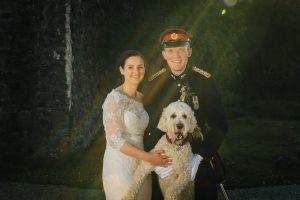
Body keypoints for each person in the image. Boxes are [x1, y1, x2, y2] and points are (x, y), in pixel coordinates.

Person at [143, 28, 228, 200]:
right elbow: (147, 126)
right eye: (170, 51)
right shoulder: (154, 84)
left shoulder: (205, 81)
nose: (176, 55)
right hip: (164, 160)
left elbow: (220, 125)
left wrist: (200, 157)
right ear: (164, 54)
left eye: (181, 50)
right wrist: (152, 156)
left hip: (197, 159)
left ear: (189, 51)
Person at [102, 50, 171, 200]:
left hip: (142, 164)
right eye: (130, 67)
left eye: (140, 67)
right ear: (122, 70)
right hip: (119, 163)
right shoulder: (114, 99)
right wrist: (148, 157)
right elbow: (114, 139)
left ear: (144, 69)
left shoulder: (142, 98)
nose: (136, 71)